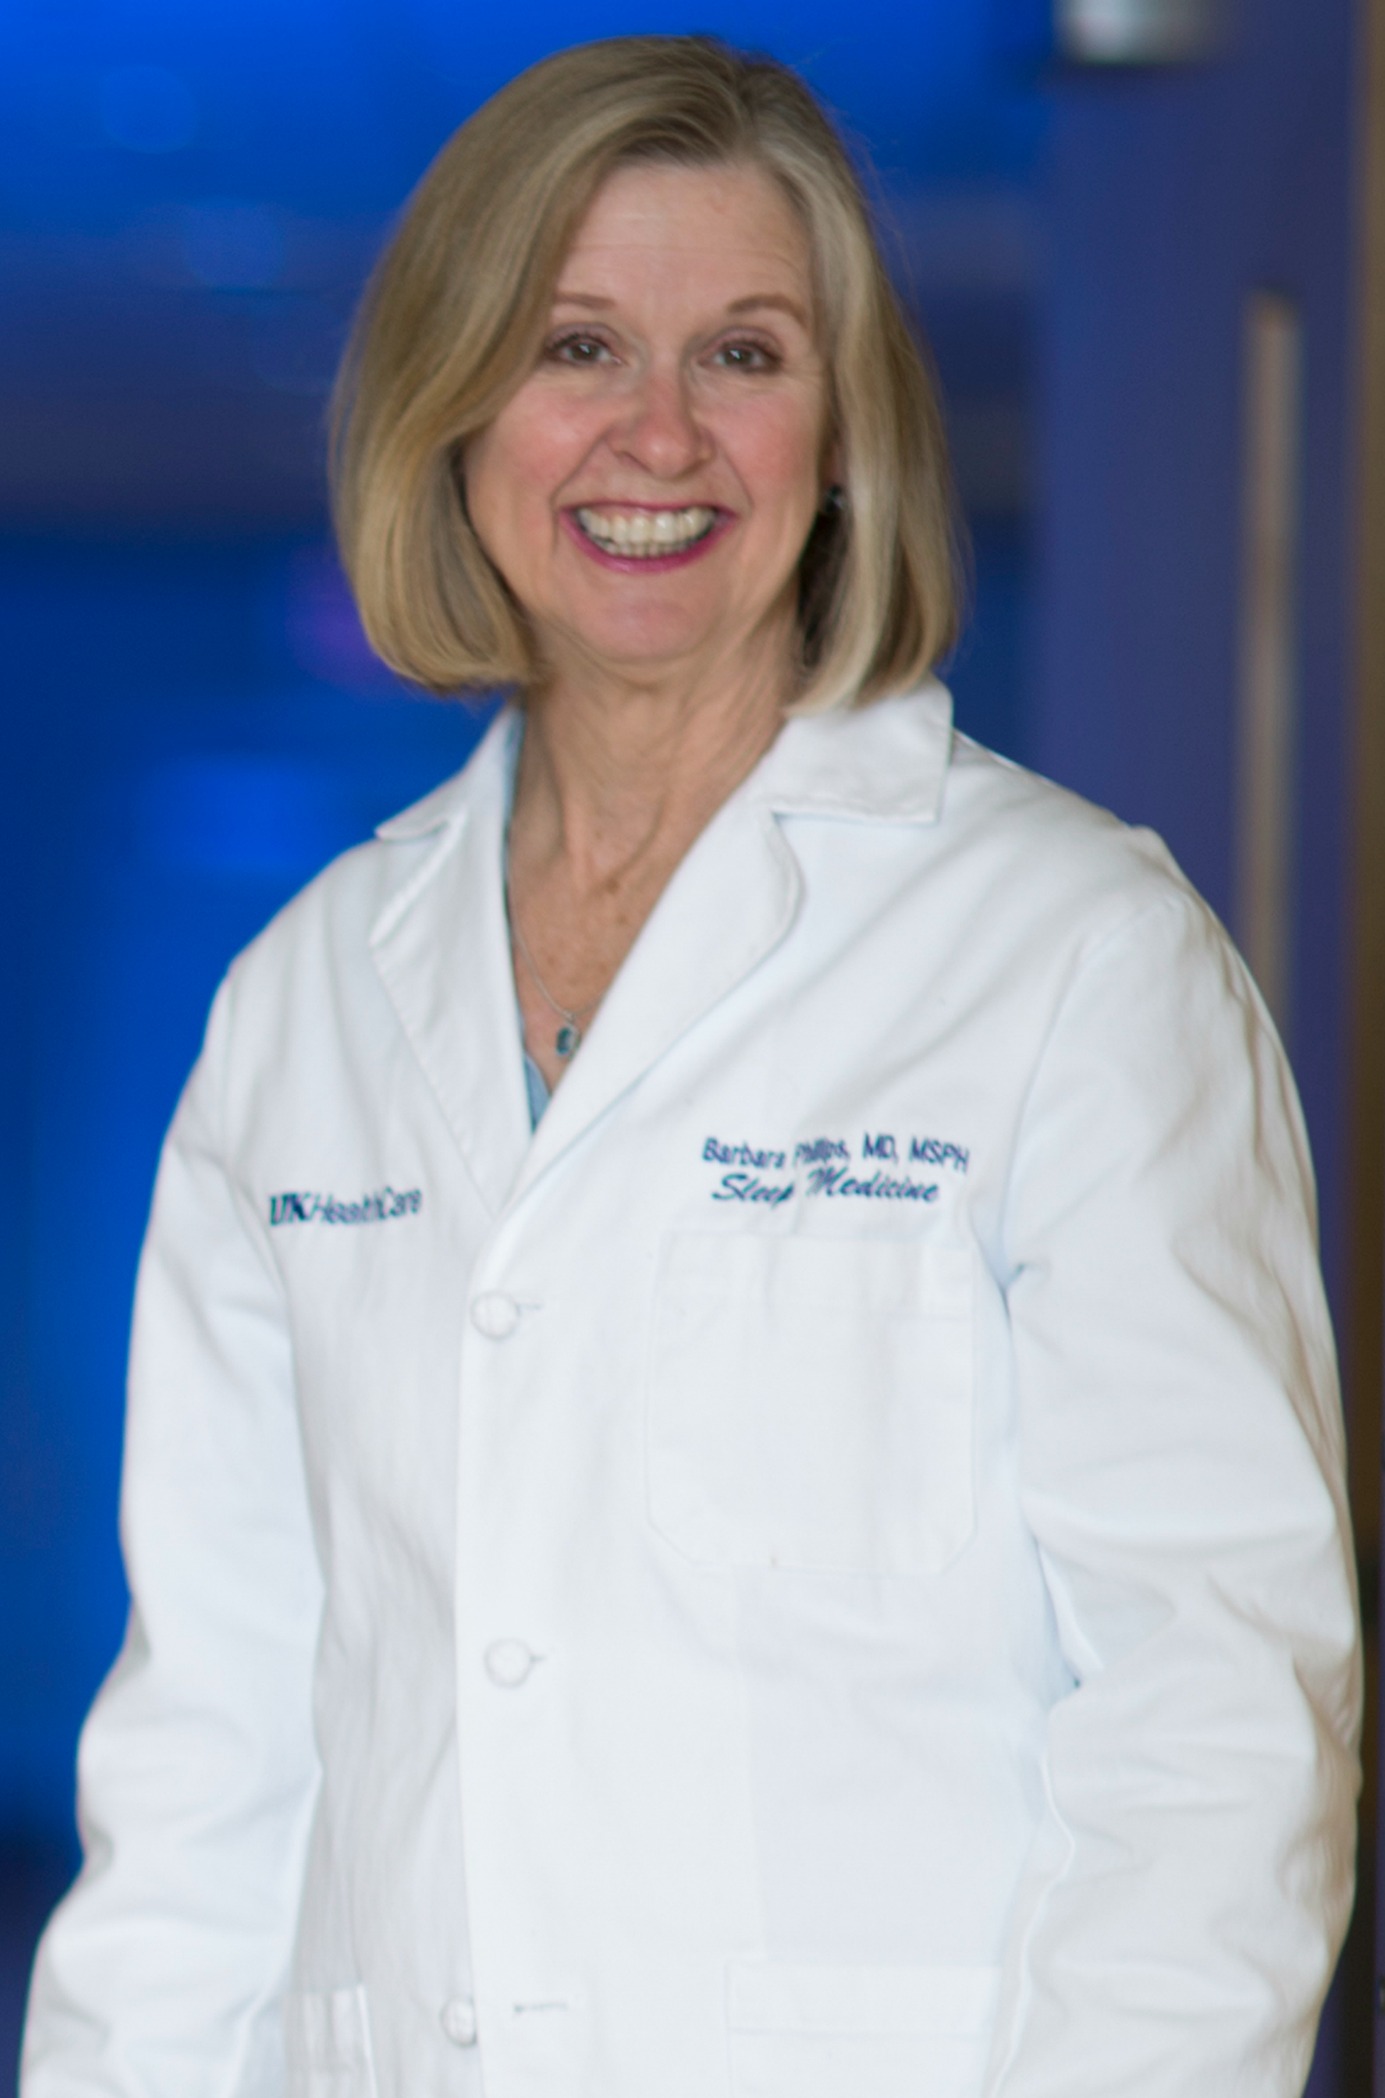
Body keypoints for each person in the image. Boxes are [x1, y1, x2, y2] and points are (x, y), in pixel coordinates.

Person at [22, 34, 1360, 2098]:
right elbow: (213, 1750)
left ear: (840, 438)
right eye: (576, 345)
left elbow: (1215, 1723)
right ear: (458, 410)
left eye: (743, 352)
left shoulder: (1074, 960)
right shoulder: (304, 1007)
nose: (658, 433)